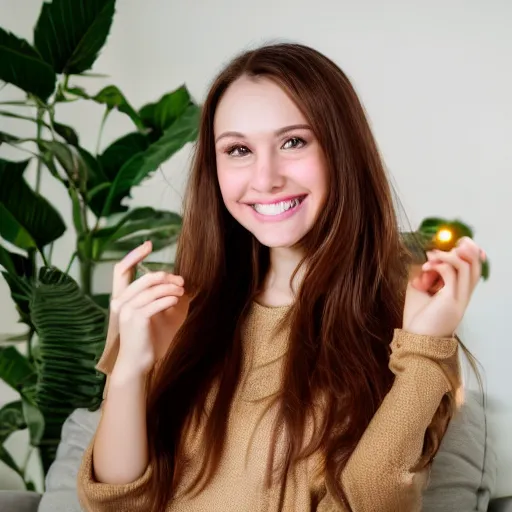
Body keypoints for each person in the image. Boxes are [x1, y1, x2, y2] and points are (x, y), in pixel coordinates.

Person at [77, 43, 485, 512]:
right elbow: (114, 502)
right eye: (238, 150)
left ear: (341, 150)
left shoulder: (410, 329)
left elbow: (369, 504)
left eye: (293, 142)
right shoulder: (177, 309)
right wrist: (131, 368)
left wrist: (423, 350)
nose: (265, 178)